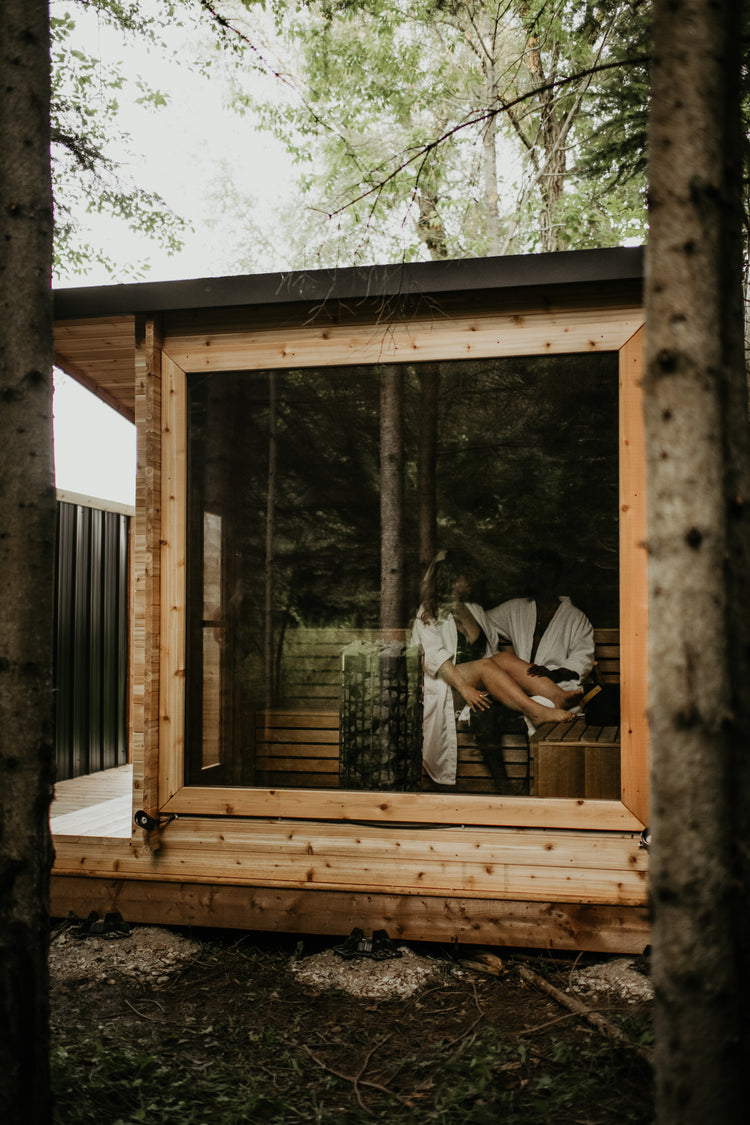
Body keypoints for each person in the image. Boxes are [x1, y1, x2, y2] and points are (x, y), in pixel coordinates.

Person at [412, 550, 578, 787]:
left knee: (503, 659)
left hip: (479, 676)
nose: (471, 581)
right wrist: (466, 689)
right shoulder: (427, 613)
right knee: (487, 665)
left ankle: (558, 696)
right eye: (466, 576)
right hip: (448, 684)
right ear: (452, 579)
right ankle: (536, 711)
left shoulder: (475, 610)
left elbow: (491, 651)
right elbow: (435, 659)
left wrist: (512, 678)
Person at [486, 549, 595, 732]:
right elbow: (483, 622)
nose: (538, 577)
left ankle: (536, 759)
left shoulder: (575, 618)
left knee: (536, 707)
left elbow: (582, 658)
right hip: (522, 684)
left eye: (544, 571)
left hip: (559, 686)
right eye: (533, 572)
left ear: (555, 576)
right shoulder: (516, 609)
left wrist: (553, 674)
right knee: (489, 708)